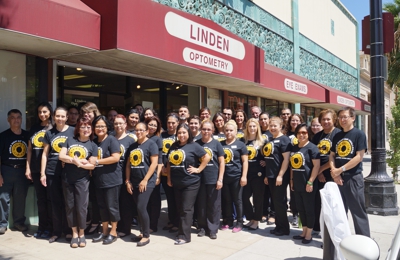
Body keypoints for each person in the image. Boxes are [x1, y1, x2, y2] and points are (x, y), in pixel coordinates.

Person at [329, 107, 370, 237]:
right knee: (339, 212)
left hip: (353, 178)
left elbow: (359, 157)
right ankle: (340, 239)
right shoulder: (337, 135)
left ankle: (363, 241)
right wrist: (335, 172)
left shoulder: (359, 134)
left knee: (357, 211)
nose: (342, 119)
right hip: (338, 178)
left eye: (345, 117)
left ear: (353, 118)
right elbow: (332, 155)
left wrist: (340, 170)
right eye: (340, 117)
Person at [166, 124, 210, 245]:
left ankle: (184, 236)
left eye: (184, 132)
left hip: (191, 183)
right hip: (177, 182)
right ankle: (181, 230)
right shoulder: (174, 146)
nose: (181, 135)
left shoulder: (194, 146)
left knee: (186, 208)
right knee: (180, 208)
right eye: (179, 133)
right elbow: (169, 163)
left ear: (188, 133)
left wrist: (198, 169)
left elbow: (207, 157)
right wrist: (169, 177)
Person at [59, 117, 98, 248]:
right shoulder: (70, 140)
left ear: (91, 130)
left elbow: (92, 166)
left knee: (81, 207)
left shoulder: (93, 145)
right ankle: (74, 233)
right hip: (67, 179)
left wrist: (78, 163)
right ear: (78, 129)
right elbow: (61, 156)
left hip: (83, 180)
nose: (86, 129)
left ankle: (82, 233)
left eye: (88, 127)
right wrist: (74, 160)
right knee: (70, 206)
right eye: (83, 127)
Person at [41, 106, 74, 243]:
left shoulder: (73, 131)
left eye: (63, 116)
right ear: (54, 117)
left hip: (69, 172)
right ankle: (56, 231)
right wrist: (43, 173)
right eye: (57, 116)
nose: (60, 118)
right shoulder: (49, 133)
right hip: (52, 171)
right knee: (55, 203)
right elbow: (44, 154)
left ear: (66, 118)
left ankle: (68, 231)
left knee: (68, 202)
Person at [126, 122, 159, 247]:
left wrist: (145, 180)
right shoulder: (133, 146)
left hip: (147, 182)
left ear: (146, 131)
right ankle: (141, 232)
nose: (138, 132)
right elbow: (128, 165)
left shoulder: (151, 144)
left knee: (141, 207)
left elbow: (154, 163)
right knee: (138, 209)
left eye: (141, 130)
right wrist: (127, 181)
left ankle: (146, 235)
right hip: (134, 181)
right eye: (136, 130)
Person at [91, 116, 121, 245]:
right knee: (102, 207)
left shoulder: (111, 140)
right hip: (98, 180)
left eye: (102, 126)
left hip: (112, 180)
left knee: (112, 207)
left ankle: (113, 232)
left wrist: (97, 161)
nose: (100, 128)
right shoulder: (94, 142)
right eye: (97, 126)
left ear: (107, 127)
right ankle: (104, 232)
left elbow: (115, 157)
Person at [25, 102, 53, 239]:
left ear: (50, 113)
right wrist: (28, 167)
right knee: (41, 200)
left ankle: (50, 228)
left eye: (45, 112)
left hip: (50, 171)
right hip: (36, 169)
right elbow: (29, 150)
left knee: (50, 200)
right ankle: (42, 227)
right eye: (40, 112)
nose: (42, 114)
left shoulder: (53, 128)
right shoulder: (34, 128)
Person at [0, 109, 30, 234]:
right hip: (6, 169)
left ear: (22, 119)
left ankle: (19, 223)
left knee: (20, 198)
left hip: (22, 170)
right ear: (8, 120)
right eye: (13, 117)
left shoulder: (27, 135)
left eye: (18, 117)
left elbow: (31, 154)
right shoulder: (3, 136)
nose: (16, 120)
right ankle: (2, 224)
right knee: (3, 198)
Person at [289, 123, 320, 244]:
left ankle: (309, 235)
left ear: (308, 134)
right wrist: (291, 180)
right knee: (301, 209)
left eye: (304, 133)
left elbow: (316, 166)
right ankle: (303, 231)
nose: (301, 135)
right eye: (299, 133)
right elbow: (292, 166)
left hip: (308, 183)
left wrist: (310, 182)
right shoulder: (294, 148)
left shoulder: (312, 148)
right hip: (297, 183)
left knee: (309, 209)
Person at [311, 109, 341, 233]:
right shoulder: (318, 136)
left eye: (328, 119)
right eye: (323, 119)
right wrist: (319, 172)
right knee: (318, 201)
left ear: (334, 120)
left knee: (332, 203)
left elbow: (336, 157)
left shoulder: (338, 134)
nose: (326, 122)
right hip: (319, 172)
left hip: (333, 172)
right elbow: (313, 156)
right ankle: (318, 228)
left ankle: (331, 230)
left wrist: (321, 170)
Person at [196, 119, 225, 239]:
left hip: (213, 179)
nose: (206, 131)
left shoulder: (217, 144)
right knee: (201, 204)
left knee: (214, 205)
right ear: (200, 130)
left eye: (209, 129)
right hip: (199, 180)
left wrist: (220, 179)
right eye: (204, 129)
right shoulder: (196, 143)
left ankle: (213, 228)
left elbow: (222, 162)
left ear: (213, 130)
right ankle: (202, 227)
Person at [263, 116, 291, 236]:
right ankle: (278, 226)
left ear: (281, 126)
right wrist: (267, 175)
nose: (272, 128)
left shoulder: (284, 140)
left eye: (275, 126)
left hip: (279, 177)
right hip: (270, 176)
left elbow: (286, 159)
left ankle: (284, 228)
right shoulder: (269, 140)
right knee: (275, 202)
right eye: (271, 125)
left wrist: (280, 175)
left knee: (280, 202)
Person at [220, 120, 248, 233]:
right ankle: (228, 221)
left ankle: (240, 222)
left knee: (237, 200)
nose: (229, 132)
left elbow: (245, 161)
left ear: (236, 131)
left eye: (231, 130)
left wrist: (244, 176)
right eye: (226, 130)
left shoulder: (241, 145)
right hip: (225, 177)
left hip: (236, 176)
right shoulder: (220, 144)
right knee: (227, 200)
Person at [113, 114, 136, 238]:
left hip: (126, 175)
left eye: (120, 123)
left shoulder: (131, 140)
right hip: (113, 175)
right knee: (115, 203)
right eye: (116, 123)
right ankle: (116, 226)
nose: (118, 126)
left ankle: (126, 228)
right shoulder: (110, 138)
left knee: (125, 203)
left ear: (125, 124)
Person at [80, 102, 102, 234]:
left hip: (98, 167)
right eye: (84, 113)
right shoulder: (82, 126)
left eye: (89, 112)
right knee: (87, 199)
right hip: (84, 168)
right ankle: (88, 221)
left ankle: (96, 223)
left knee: (96, 199)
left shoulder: (100, 125)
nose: (87, 115)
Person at [242, 119, 265, 231]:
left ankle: (256, 221)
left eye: (254, 126)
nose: (252, 128)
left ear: (257, 128)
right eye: (250, 126)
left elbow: (269, 156)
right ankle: (250, 218)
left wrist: (265, 162)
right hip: (246, 173)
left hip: (258, 174)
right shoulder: (243, 141)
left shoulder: (262, 141)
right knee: (244, 197)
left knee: (257, 198)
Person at [160, 113, 179, 232]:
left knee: (177, 198)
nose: (171, 125)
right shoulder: (162, 135)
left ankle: (178, 222)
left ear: (177, 123)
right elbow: (158, 152)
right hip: (164, 172)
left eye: (173, 122)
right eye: (169, 122)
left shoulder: (180, 135)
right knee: (170, 199)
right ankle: (172, 221)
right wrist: (162, 166)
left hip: (176, 172)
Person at [285, 113, 304, 227]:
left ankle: (297, 215)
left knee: (296, 192)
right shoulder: (286, 134)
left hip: (298, 167)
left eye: (297, 120)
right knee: (290, 192)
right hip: (286, 166)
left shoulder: (304, 133)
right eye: (293, 120)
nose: (295, 122)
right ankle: (294, 212)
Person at [145, 116, 163, 233]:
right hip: (142, 172)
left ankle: (153, 225)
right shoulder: (141, 137)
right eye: (150, 124)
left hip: (154, 173)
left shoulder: (157, 139)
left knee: (154, 200)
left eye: (155, 125)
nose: (152, 127)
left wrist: (158, 175)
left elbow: (160, 159)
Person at [259, 112, 274, 225]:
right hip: (260, 167)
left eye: (265, 119)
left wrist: (267, 160)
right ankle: (263, 212)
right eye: (261, 119)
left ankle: (273, 214)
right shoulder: (258, 132)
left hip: (271, 166)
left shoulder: (272, 132)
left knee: (272, 191)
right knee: (263, 191)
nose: (263, 121)